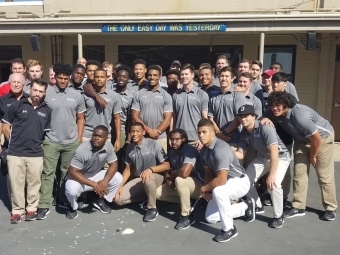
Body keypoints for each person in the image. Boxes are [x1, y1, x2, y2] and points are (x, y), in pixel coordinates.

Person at [263, 91, 337, 221]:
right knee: (299, 174)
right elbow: (262, 118)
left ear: (286, 105)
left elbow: (316, 139)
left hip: (322, 140)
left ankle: (330, 208)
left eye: (278, 105)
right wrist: (265, 119)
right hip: (301, 141)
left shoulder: (299, 115)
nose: (274, 108)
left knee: (324, 176)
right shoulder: (272, 112)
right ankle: (298, 206)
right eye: (272, 105)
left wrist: (313, 156)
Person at [37, 63, 86, 220]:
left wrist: (78, 139)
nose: (63, 81)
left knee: (66, 173)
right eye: (60, 78)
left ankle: (62, 198)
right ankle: (44, 204)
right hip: (51, 140)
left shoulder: (77, 94)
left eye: (66, 78)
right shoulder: (47, 93)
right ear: (55, 77)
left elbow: (80, 118)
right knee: (48, 173)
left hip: (71, 141)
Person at [232, 104, 291, 228]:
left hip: (280, 157)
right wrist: (228, 149)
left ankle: (278, 216)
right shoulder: (244, 132)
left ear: (254, 116)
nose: (243, 119)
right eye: (241, 116)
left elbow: (274, 151)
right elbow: (241, 155)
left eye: (246, 116)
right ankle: (257, 205)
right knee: (245, 181)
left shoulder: (265, 127)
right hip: (264, 157)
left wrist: (272, 175)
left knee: (273, 184)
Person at [2, 78, 51, 223]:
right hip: (15, 152)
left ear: (44, 93)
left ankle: (31, 209)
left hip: (35, 154)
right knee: (16, 183)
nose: (37, 93)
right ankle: (17, 211)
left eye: (41, 91)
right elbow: (5, 126)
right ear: (30, 89)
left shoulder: (46, 111)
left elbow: (45, 133)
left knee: (34, 182)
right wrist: (15, 141)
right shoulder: (17, 106)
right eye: (35, 90)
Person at [198, 119, 253, 243]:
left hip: (239, 182)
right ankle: (245, 206)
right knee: (210, 218)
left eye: (204, 132)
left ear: (213, 133)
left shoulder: (221, 148)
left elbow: (221, 180)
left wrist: (205, 188)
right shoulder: (203, 151)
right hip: (224, 185)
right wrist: (207, 188)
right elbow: (209, 173)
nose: (201, 135)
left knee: (218, 192)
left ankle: (229, 229)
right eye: (199, 133)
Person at [114, 122, 169, 222]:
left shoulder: (154, 144)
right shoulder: (130, 148)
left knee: (148, 179)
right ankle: (147, 196)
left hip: (156, 177)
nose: (134, 134)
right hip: (140, 179)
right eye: (132, 131)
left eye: (137, 131)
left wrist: (151, 170)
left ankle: (152, 208)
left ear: (144, 132)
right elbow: (127, 169)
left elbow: (166, 165)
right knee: (118, 199)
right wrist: (120, 186)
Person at [65, 125, 123, 219]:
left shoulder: (108, 145)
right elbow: (72, 173)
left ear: (106, 139)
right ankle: (72, 207)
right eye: (94, 135)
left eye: (100, 137)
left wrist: (105, 181)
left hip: (95, 176)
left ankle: (100, 200)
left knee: (117, 177)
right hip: (79, 178)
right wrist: (94, 185)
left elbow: (114, 165)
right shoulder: (83, 149)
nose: (96, 138)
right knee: (71, 190)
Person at [156, 129, 204, 230]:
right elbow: (169, 171)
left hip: (200, 186)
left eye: (177, 139)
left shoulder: (190, 150)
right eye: (172, 139)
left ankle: (187, 216)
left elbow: (184, 173)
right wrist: (168, 178)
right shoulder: (172, 153)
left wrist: (172, 175)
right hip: (184, 185)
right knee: (158, 193)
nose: (174, 142)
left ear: (184, 139)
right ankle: (188, 202)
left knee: (179, 180)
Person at [131, 65, 173, 153]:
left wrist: (156, 132)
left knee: (161, 164)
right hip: (142, 137)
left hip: (160, 137)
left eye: (155, 75)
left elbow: (168, 119)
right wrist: (148, 131)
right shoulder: (139, 94)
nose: (152, 77)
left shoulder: (166, 96)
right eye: (150, 75)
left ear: (160, 76)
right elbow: (134, 116)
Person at [82, 68, 122, 152]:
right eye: (97, 77)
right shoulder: (85, 95)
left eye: (102, 77)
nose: (99, 79)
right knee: (85, 163)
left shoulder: (114, 96)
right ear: (94, 78)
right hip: (87, 135)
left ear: (106, 78)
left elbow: (117, 118)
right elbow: (80, 118)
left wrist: (118, 139)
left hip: (105, 136)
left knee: (105, 164)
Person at [208, 66, 246, 147]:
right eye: (222, 76)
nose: (224, 78)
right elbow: (211, 118)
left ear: (232, 79)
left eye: (227, 76)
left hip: (234, 140)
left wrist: (225, 132)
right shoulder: (213, 98)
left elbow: (240, 117)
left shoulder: (238, 95)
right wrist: (219, 133)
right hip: (218, 139)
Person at [172, 63, 209, 147]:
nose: (184, 76)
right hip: (179, 138)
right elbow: (173, 117)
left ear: (192, 75)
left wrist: (202, 138)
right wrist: (172, 135)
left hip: (195, 139)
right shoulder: (176, 95)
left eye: (186, 74)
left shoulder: (202, 94)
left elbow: (205, 118)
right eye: (182, 74)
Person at [115, 65, 134, 172]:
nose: (121, 78)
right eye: (119, 76)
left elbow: (130, 120)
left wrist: (128, 138)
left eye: (124, 76)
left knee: (119, 157)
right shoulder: (109, 90)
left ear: (128, 79)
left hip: (121, 130)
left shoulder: (130, 97)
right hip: (107, 129)